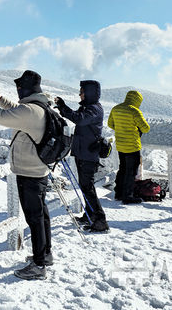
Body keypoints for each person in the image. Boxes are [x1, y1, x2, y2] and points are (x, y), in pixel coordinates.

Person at [0, 70, 54, 281]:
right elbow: (16, 109)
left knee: (35, 218)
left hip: (29, 172)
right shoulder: (39, 107)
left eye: (20, 88)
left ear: (24, 89)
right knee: (42, 215)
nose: (18, 91)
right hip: (38, 170)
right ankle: (45, 255)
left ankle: (39, 266)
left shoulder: (31, 111)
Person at [54, 81, 109, 233]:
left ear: (90, 93)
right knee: (85, 187)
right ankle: (89, 215)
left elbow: (79, 119)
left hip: (88, 155)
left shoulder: (94, 110)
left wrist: (63, 107)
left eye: (82, 92)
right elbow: (78, 117)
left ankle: (100, 222)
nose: (80, 94)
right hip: (82, 153)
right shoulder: (88, 108)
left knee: (88, 188)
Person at [108, 90, 151, 204]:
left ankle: (118, 193)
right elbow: (146, 128)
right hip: (132, 146)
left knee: (122, 169)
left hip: (121, 145)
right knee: (131, 172)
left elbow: (110, 124)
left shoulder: (116, 108)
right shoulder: (134, 111)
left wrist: (121, 128)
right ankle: (127, 196)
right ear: (137, 101)